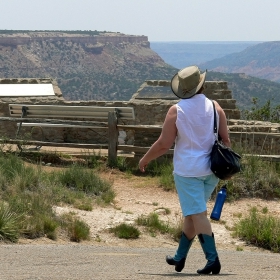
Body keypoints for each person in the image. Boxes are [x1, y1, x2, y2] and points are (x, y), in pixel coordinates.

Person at [139, 65, 231, 275]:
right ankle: (179, 257)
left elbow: (164, 143)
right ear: (201, 85)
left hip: (189, 171)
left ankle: (213, 260)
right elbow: (226, 139)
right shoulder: (216, 107)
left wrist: (145, 159)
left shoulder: (177, 110)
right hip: (212, 171)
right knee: (192, 213)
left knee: (197, 214)